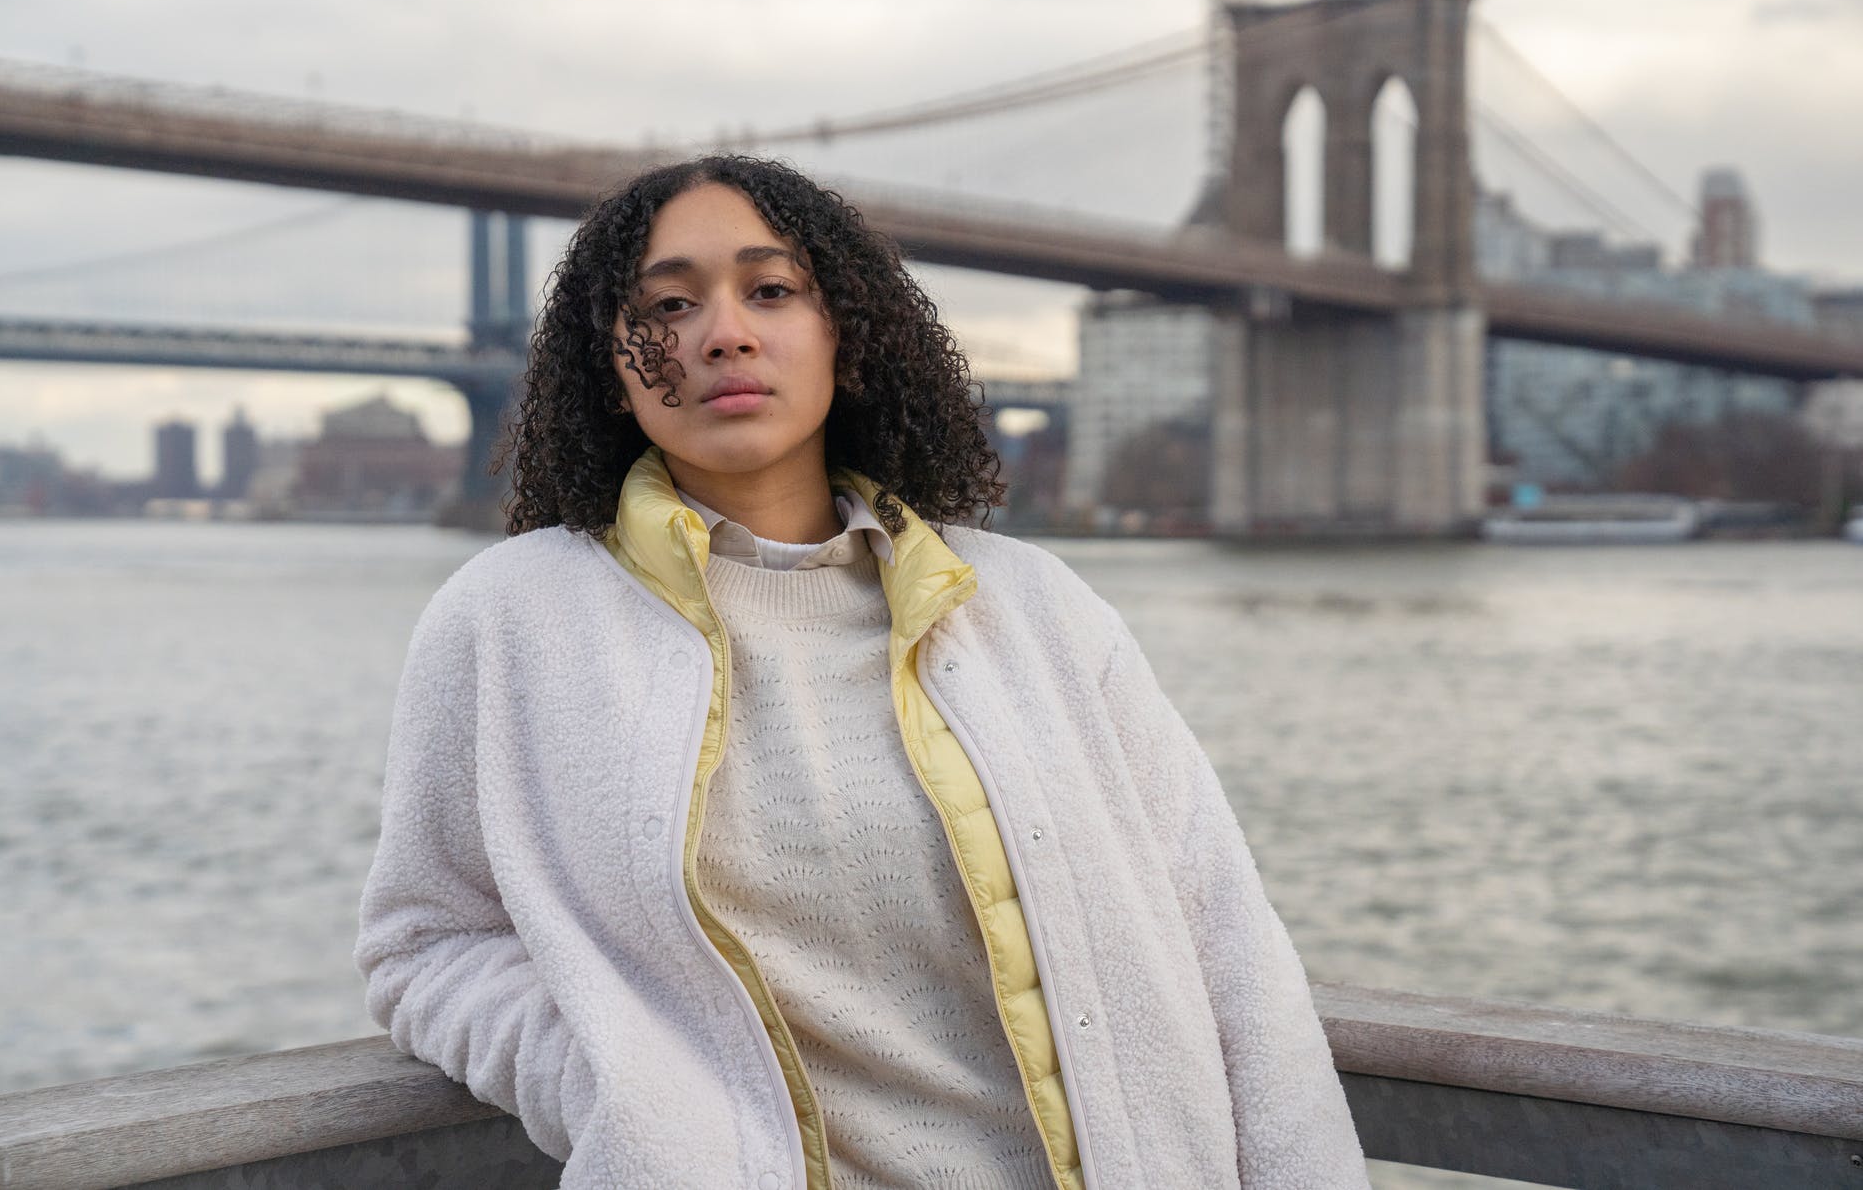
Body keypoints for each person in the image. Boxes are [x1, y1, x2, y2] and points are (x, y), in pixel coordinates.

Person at [354, 155, 1369, 1190]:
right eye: (665, 303)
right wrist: (638, 1097)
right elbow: (425, 944)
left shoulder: (1034, 607)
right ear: (610, 360)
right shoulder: (506, 621)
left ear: (845, 330)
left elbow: (1230, 951)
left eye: (771, 289)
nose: (723, 333)